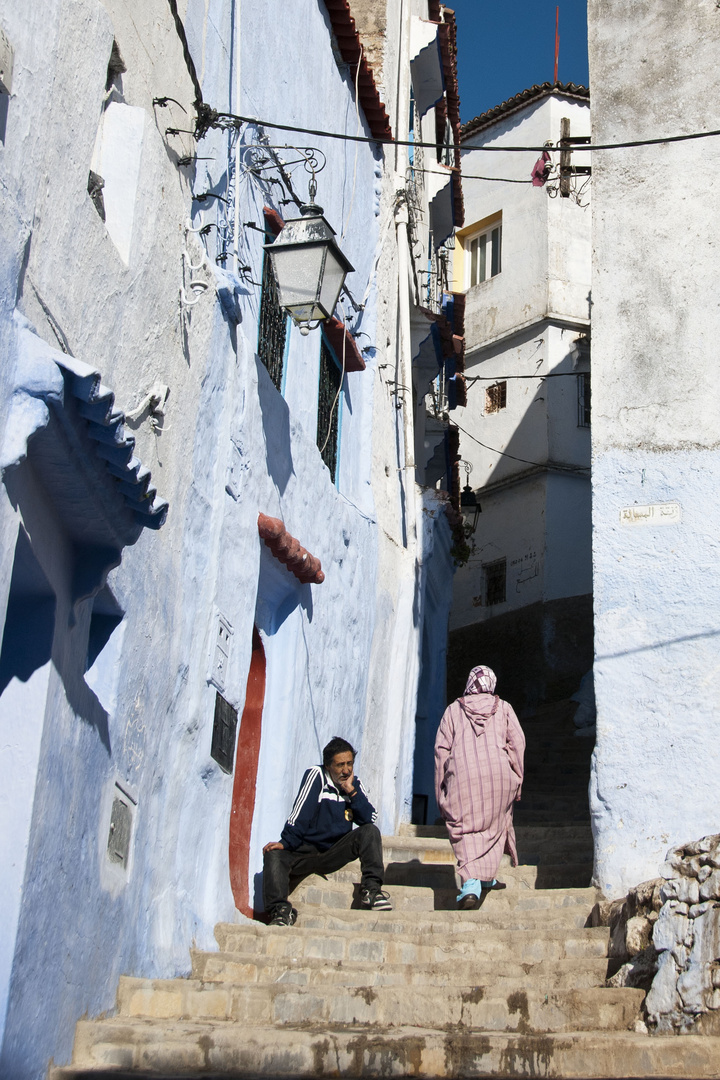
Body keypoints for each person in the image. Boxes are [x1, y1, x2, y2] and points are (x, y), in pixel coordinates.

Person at [262, 736, 392, 925]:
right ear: (328, 765)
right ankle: (281, 911)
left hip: (333, 853)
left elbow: (369, 818)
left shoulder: (354, 785)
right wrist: (286, 842)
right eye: (340, 765)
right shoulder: (316, 775)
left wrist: (352, 793)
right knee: (273, 855)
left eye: (349, 764)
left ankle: (372, 890)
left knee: (370, 832)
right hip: (305, 850)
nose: (346, 770)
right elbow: (301, 813)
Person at [434, 665, 525, 910]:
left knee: (465, 828)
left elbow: (441, 752)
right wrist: (517, 777)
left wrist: (440, 791)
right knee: (494, 823)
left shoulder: (453, 710)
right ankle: (486, 878)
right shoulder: (504, 708)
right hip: (499, 775)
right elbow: (518, 743)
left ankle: (471, 883)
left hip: (463, 778)